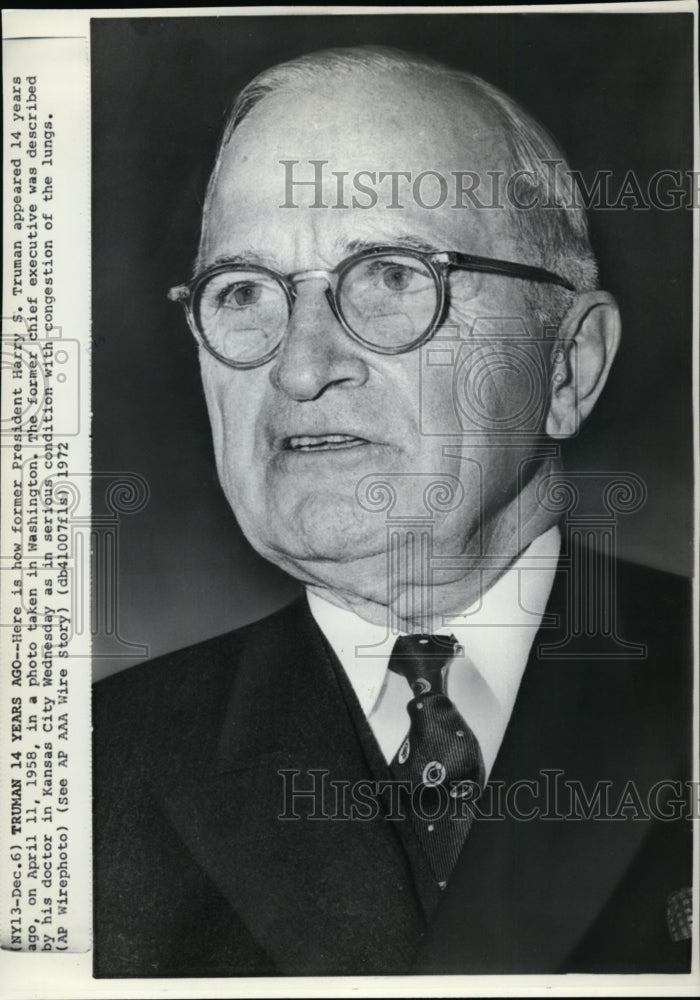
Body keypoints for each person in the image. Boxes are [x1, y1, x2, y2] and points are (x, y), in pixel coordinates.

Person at [93, 47, 692, 977]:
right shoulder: (84, 774)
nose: (299, 368)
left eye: (392, 277)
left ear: (567, 365)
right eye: (245, 293)